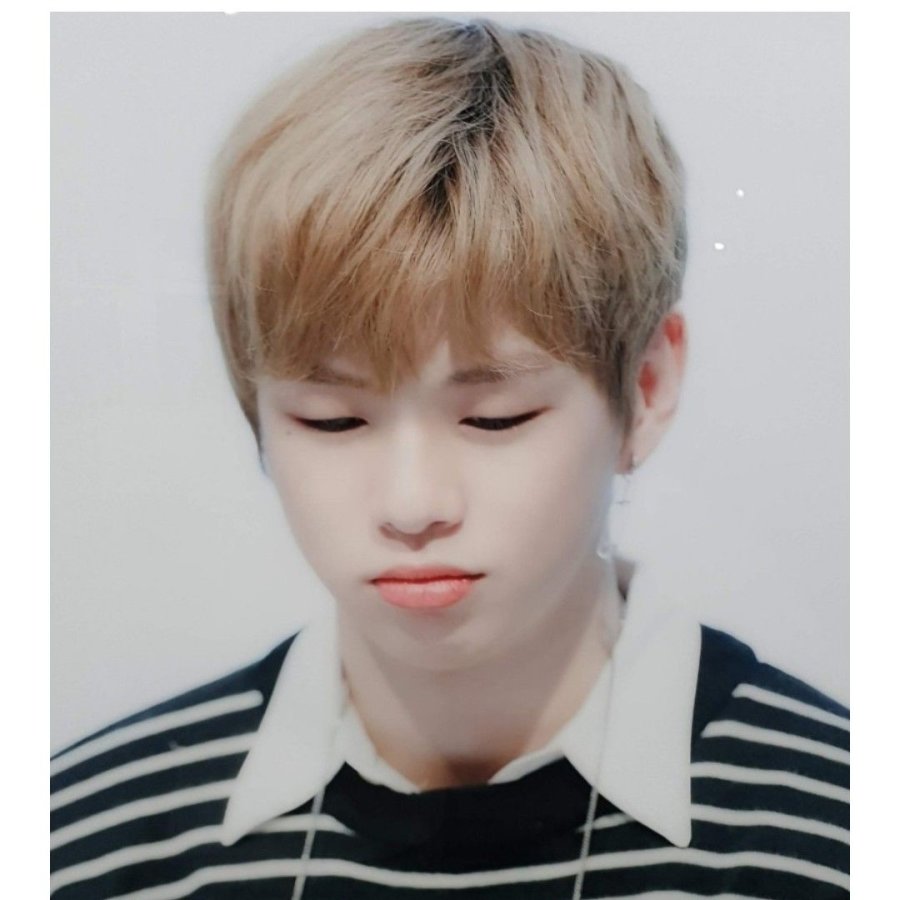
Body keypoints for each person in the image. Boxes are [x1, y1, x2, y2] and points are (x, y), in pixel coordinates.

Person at [50, 16, 849, 899]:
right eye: (332, 421)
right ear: (257, 407)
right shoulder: (82, 845)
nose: (412, 503)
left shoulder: (838, 834)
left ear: (646, 388)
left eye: (495, 419)